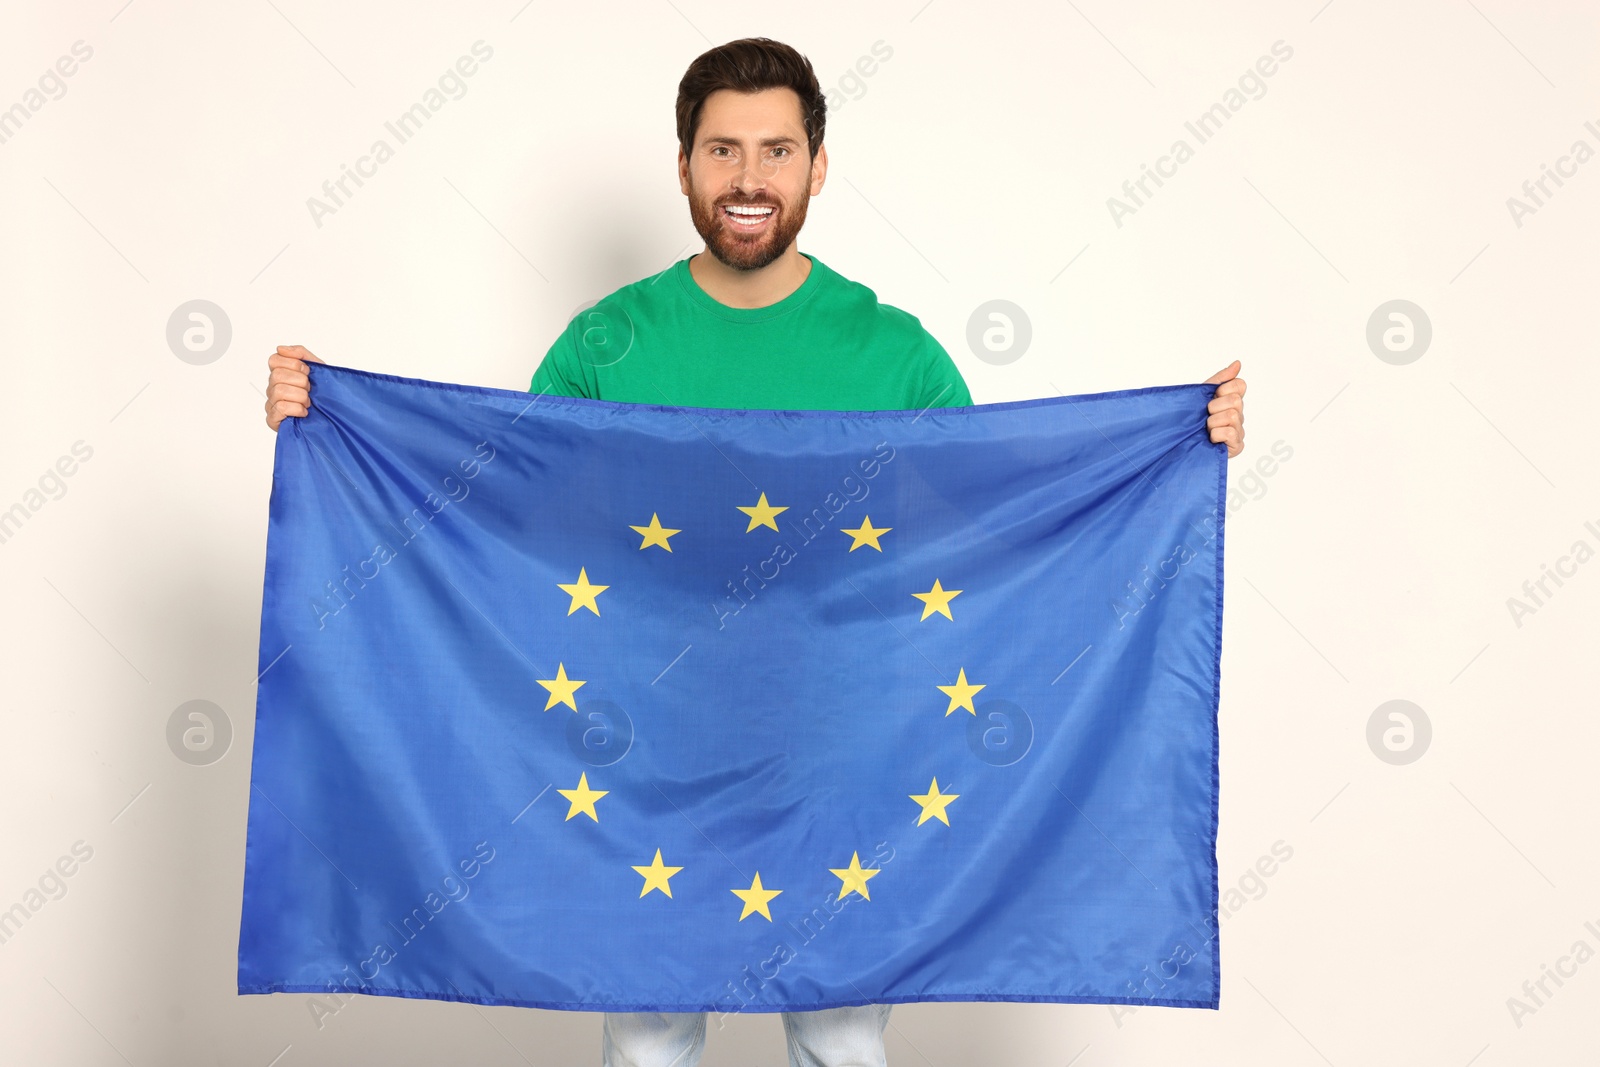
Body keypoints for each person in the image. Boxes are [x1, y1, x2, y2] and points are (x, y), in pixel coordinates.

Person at [263, 36, 1246, 1067]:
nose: (748, 178)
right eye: (722, 150)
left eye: (775, 151)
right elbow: (498, 510)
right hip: (642, 761)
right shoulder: (609, 340)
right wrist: (338, 423)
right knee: (646, 1046)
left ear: (817, 168)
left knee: (842, 1045)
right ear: (683, 165)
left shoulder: (891, 349)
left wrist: (1177, 448)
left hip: (845, 757)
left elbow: (999, 526)